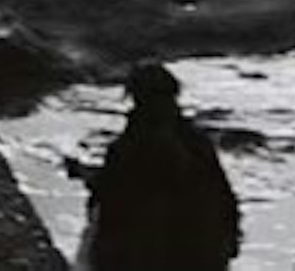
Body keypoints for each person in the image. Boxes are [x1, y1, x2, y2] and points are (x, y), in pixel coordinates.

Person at [76, 62, 240, 270]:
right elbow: (223, 197)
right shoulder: (196, 145)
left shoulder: (126, 149)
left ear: (135, 99)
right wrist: (229, 240)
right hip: (196, 254)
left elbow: (108, 204)